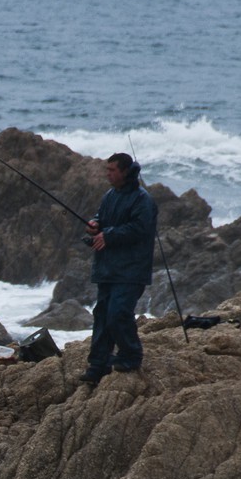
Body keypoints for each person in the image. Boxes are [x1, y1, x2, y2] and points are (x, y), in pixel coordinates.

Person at [81, 152, 157, 384]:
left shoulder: (143, 200)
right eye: (107, 169)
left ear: (125, 171)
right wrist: (95, 225)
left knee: (119, 313)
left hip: (132, 269)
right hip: (108, 269)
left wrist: (110, 235)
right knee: (102, 315)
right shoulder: (110, 195)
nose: (108, 174)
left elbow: (140, 229)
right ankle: (98, 365)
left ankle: (131, 354)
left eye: (112, 170)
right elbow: (103, 219)